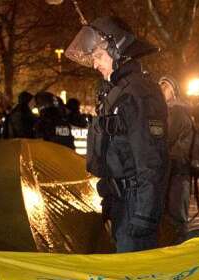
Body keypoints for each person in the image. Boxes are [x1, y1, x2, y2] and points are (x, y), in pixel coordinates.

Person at [66, 15, 169, 252]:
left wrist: (145, 214)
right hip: (120, 201)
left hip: (136, 204)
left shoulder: (140, 93)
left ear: (118, 52)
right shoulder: (116, 91)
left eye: (99, 56)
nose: (94, 64)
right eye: (92, 58)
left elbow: (151, 158)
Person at [159, 75, 194, 244]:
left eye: (165, 86)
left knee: (176, 215)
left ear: (174, 91)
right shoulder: (165, 111)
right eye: (159, 85)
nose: (161, 88)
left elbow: (167, 138)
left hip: (177, 170)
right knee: (168, 214)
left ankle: (179, 249)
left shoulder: (177, 112)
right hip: (170, 169)